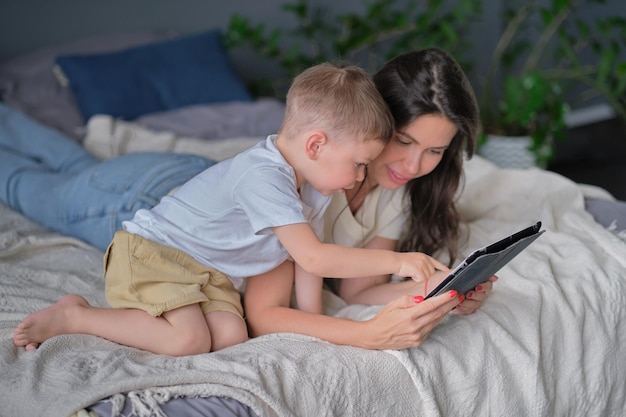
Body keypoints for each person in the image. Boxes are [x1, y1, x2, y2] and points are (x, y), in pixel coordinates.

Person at [12, 62, 450, 356]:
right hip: (155, 251)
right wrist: (399, 262)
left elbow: (306, 262)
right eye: (357, 164)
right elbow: (312, 256)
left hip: (206, 271)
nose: (360, 175)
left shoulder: (316, 187)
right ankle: (76, 314)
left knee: (229, 335)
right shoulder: (264, 177)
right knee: (187, 340)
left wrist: (315, 324)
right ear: (316, 144)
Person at [242, 48, 496, 349]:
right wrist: (367, 335)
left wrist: (446, 289)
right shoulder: (303, 183)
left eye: (434, 151)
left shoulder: (396, 191)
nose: (413, 167)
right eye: (403, 141)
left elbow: (357, 293)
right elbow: (263, 315)